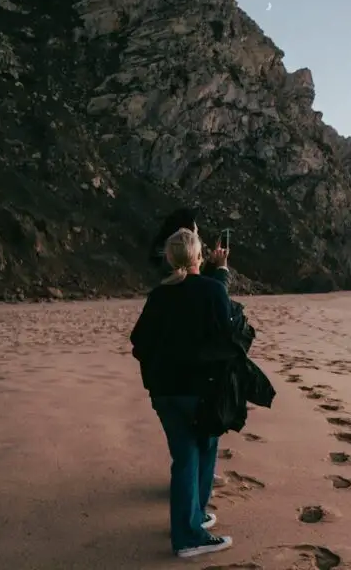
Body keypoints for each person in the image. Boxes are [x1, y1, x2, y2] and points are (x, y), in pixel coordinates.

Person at [130, 228, 234, 558]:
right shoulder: (211, 290)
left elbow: (139, 342)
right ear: (198, 256)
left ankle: (193, 520)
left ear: (170, 258)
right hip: (199, 391)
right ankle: (189, 535)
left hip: (165, 392)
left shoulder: (159, 295)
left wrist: (157, 370)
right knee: (200, 452)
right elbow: (226, 336)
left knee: (185, 456)